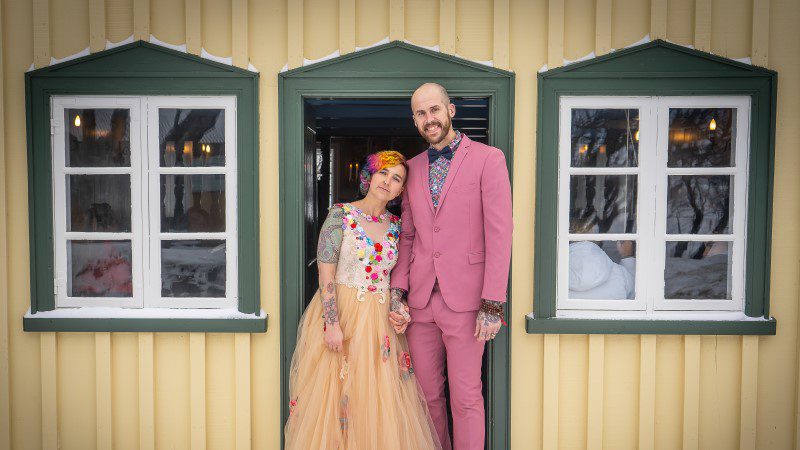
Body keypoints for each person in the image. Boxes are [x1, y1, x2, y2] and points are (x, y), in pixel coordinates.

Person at [284, 151, 441, 449]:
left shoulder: (397, 226)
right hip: (342, 314)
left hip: (379, 323)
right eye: (383, 173)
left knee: (376, 401)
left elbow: (399, 279)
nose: (388, 181)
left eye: (397, 179)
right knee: (337, 397)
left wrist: (399, 308)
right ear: (369, 176)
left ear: (400, 190)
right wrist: (331, 324)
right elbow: (325, 275)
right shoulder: (340, 215)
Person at [388, 83, 513, 450]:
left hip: (469, 303)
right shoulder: (411, 168)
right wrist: (399, 291)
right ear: (415, 120)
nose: (430, 119)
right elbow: (408, 237)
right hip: (422, 303)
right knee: (426, 398)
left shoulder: (489, 159)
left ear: (451, 111)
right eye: (421, 114)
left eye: (435, 110)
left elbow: (500, 234)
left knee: (466, 397)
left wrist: (492, 303)